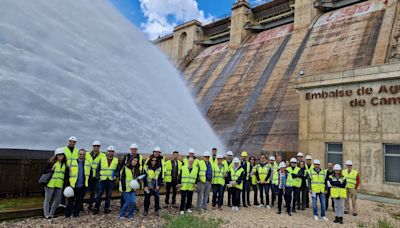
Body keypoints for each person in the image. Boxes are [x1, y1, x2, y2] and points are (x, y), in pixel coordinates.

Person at [42, 148, 67, 219]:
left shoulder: (64, 164)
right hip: (50, 184)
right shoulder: (52, 163)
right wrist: (51, 170)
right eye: (59, 154)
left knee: (58, 200)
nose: (61, 155)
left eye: (62, 154)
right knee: (47, 200)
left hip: (59, 184)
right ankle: (46, 214)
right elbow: (44, 171)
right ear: (56, 155)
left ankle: (51, 213)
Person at [94, 146, 119, 215]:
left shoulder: (116, 160)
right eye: (109, 151)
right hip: (102, 180)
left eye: (112, 151)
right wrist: (98, 177)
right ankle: (96, 208)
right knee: (99, 195)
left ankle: (106, 208)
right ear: (107, 152)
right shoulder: (102, 159)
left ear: (114, 153)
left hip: (110, 180)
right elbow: (97, 169)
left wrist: (116, 175)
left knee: (109, 195)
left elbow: (117, 170)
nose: (110, 153)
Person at [65, 149, 90, 218]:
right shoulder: (72, 162)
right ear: (78, 154)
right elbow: (67, 174)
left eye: (83, 154)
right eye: (80, 154)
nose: (82, 156)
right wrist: (67, 184)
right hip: (73, 185)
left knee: (79, 201)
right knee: (70, 201)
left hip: (82, 186)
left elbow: (88, 175)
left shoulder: (87, 163)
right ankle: (68, 214)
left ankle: (76, 214)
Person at [86, 140, 105, 211]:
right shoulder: (87, 154)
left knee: (97, 192)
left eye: (98, 146)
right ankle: (90, 205)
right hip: (89, 176)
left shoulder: (103, 155)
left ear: (99, 147)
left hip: (98, 177)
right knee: (91, 192)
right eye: (95, 146)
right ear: (92, 146)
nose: (96, 147)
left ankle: (95, 206)